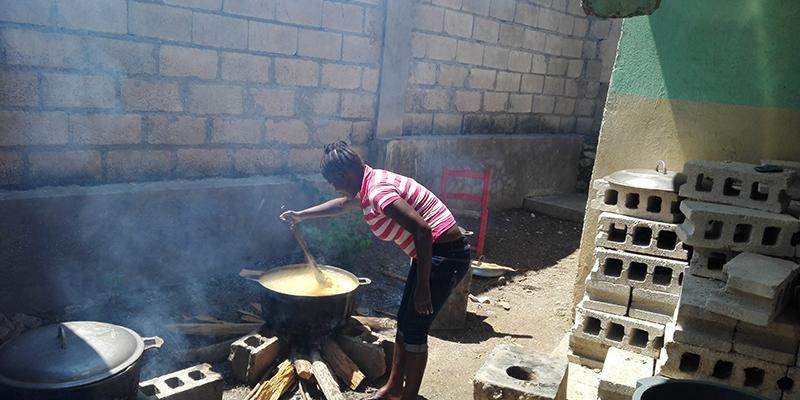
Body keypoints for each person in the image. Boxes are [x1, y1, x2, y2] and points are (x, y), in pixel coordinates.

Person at [280, 141, 471, 400]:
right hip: (429, 254)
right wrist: (301, 215)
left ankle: (408, 397)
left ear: (346, 175)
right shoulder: (367, 182)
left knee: (415, 331)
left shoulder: (378, 192)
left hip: (445, 256)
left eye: (334, 182)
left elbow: (423, 231)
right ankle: (393, 388)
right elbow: (341, 205)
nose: (335, 188)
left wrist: (423, 286)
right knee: (405, 323)